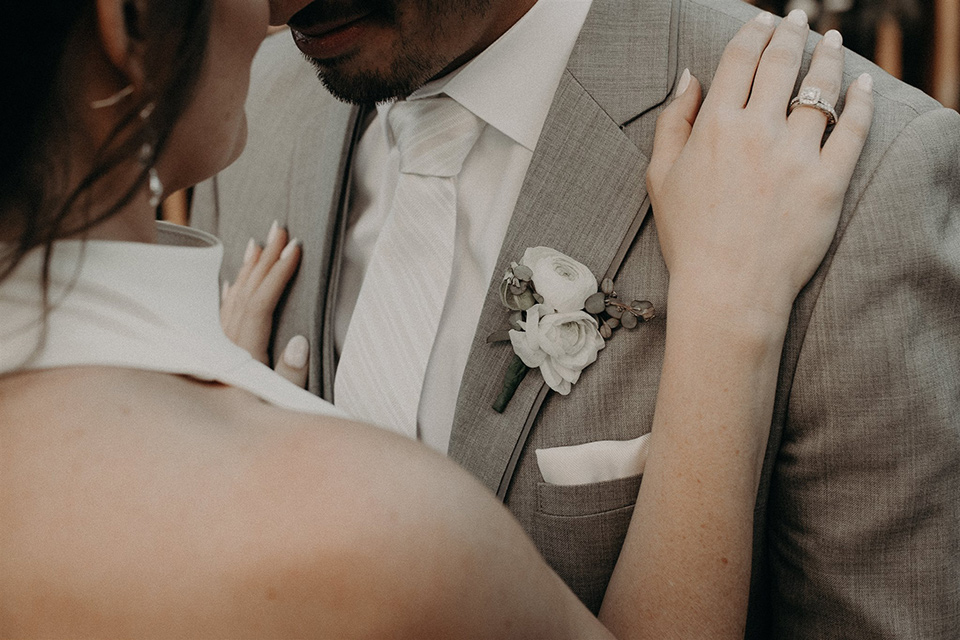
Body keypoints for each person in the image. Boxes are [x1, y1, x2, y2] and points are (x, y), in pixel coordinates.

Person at [0, 0, 875, 637]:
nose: (274, 9)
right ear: (130, 24)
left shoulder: (883, 181)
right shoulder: (375, 531)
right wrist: (727, 320)